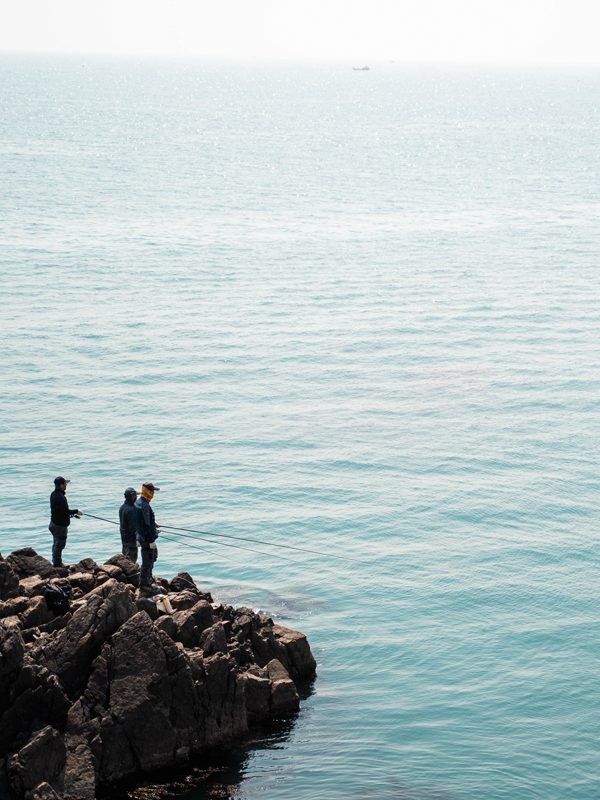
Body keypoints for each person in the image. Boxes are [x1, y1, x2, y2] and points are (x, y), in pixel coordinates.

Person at [49, 476, 81, 568]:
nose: (66, 485)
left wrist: (70, 514)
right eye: (65, 484)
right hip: (59, 526)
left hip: (54, 523)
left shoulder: (53, 494)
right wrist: (76, 511)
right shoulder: (60, 497)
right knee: (59, 545)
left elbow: (59, 510)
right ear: (61, 485)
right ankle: (57, 564)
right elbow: (65, 511)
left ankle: (56, 562)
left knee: (56, 544)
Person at [134, 482, 160, 590]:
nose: (153, 493)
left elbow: (142, 520)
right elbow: (146, 525)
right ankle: (144, 584)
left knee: (152, 557)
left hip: (140, 536)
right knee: (148, 561)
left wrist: (154, 523)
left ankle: (148, 578)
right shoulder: (145, 506)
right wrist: (151, 540)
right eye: (152, 491)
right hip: (146, 538)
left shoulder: (138, 502)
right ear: (148, 492)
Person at [119, 487, 138, 563]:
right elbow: (133, 528)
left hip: (124, 537)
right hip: (131, 539)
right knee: (131, 560)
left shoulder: (122, 507)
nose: (136, 497)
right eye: (135, 496)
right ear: (131, 497)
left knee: (125, 557)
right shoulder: (131, 510)